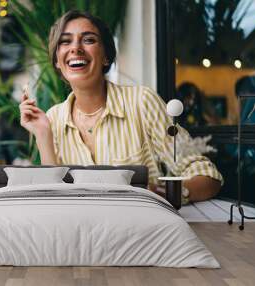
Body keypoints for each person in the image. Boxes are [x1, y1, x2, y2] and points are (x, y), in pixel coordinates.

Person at [19, 10, 222, 202]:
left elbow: (206, 176)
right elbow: (54, 198)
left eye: (88, 39)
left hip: (140, 230)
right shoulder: (52, 118)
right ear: (56, 60)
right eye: (65, 41)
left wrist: (161, 194)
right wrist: (43, 135)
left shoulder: (142, 103)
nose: (75, 48)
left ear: (106, 56)